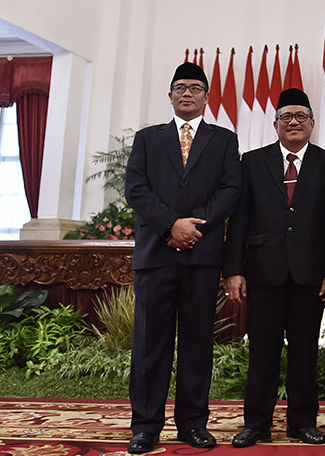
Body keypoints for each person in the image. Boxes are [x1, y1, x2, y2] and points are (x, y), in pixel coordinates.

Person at [124, 62, 241, 454]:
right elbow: (136, 189)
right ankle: (145, 425)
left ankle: (193, 423)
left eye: (195, 88)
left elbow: (230, 190)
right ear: (170, 95)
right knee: (149, 343)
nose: (187, 93)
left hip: (202, 256)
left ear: (207, 96)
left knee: (197, 342)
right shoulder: (147, 138)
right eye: (180, 88)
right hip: (156, 254)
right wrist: (171, 225)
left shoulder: (224, 139)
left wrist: (195, 228)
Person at [223, 88, 325, 447]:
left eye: (301, 117)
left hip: (310, 274)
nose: (294, 122)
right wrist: (233, 269)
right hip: (263, 271)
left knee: (304, 352)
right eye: (286, 117)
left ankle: (302, 423)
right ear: (275, 124)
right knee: (263, 351)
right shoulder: (253, 162)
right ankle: (256, 424)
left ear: (312, 124)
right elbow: (238, 219)